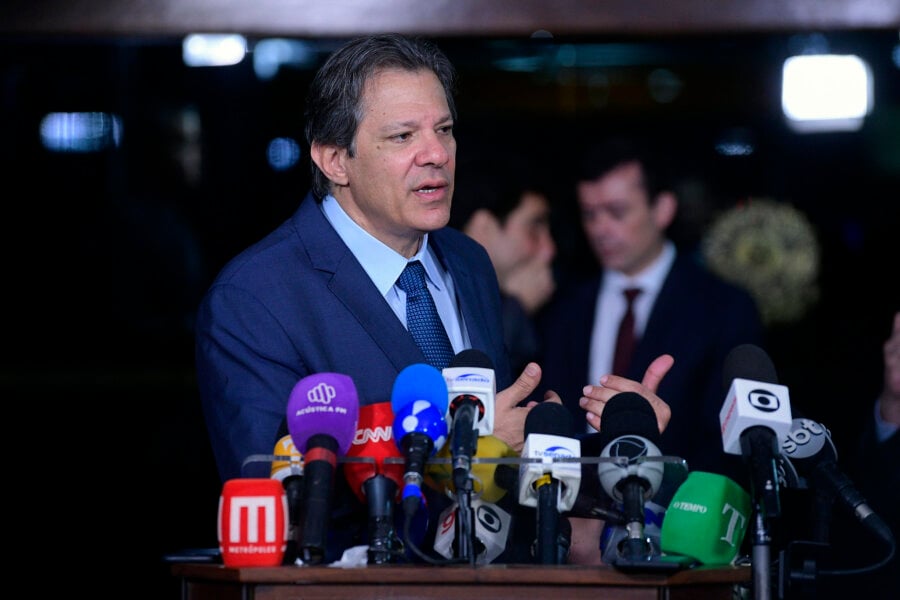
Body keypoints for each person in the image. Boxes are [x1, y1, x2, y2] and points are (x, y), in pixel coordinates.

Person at [195, 33, 675, 564]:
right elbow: (275, 504)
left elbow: (508, 466)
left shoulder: (467, 262)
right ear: (335, 159)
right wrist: (469, 441)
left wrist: (618, 449)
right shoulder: (255, 297)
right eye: (403, 136)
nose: (437, 154)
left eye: (444, 130)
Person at [534, 135, 766, 483]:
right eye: (590, 214)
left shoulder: (723, 307)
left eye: (617, 211)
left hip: (681, 513)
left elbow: (729, 442)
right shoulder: (566, 308)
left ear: (663, 209)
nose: (600, 228)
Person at [449, 154, 557, 374]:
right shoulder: (430, 299)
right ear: (484, 228)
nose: (548, 249)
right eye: (534, 227)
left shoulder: (557, 303)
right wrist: (516, 310)